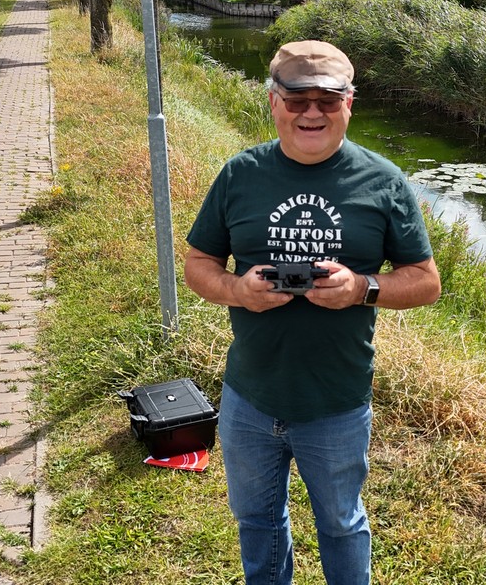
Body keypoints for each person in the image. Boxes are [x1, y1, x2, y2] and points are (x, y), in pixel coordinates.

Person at [184, 40, 442, 584]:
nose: (311, 113)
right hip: (250, 395)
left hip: (336, 400)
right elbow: (199, 263)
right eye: (297, 99)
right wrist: (238, 290)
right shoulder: (240, 174)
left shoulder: (384, 181)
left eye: (327, 100)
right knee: (257, 521)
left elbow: (426, 282)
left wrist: (361, 288)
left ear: (350, 102)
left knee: (342, 524)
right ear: (273, 102)